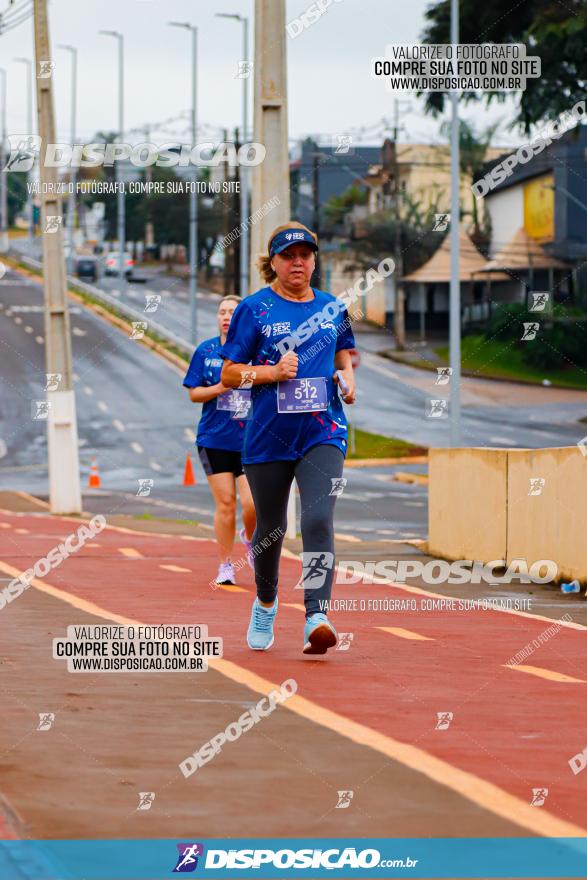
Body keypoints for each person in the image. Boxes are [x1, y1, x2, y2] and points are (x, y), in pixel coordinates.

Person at [220, 221, 356, 655]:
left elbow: (344, 355)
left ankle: (317, 614)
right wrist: (270, 373)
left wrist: (348, 380)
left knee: (317, 520)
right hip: (267, 438)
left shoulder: (334, 307)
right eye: (288, 255)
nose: (298, 262)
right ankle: (265, 602)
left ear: (314, 260)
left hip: (323, 431)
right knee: (271, 529)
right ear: (273, 262)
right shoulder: (254, 310)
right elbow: (228, 374)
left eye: (306, 255)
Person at [183, 295, 256, 585]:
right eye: (222, 312)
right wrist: (219, 388)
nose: (226, 317)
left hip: (251, 440)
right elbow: (193, 393)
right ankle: (225, 565)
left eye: (232, 312)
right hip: (214, 439)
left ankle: (250, 537)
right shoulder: (207, 350)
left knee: (252, 505)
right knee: (226, 503)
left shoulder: (255, 351)